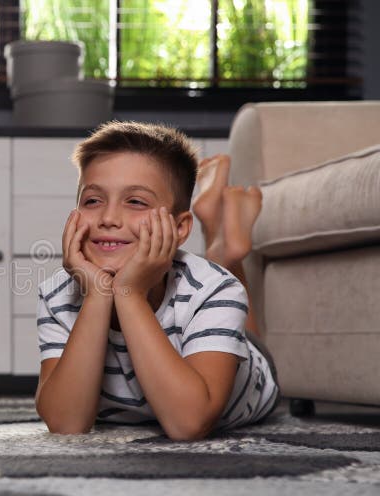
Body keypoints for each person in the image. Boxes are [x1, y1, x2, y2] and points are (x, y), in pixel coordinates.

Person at [35, 121, 279, 440]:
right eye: (93, 200)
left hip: (250, 367)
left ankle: (228, 251)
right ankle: (220, 239)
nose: (108, 218)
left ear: (179, 229)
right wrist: (97, 295)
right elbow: (66, 425)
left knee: (237, 311)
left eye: (135, 202)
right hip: (189, 297)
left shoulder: (215, 289)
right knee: (213, 283)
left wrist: (129, 293)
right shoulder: (58, 296)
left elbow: (188, 423)